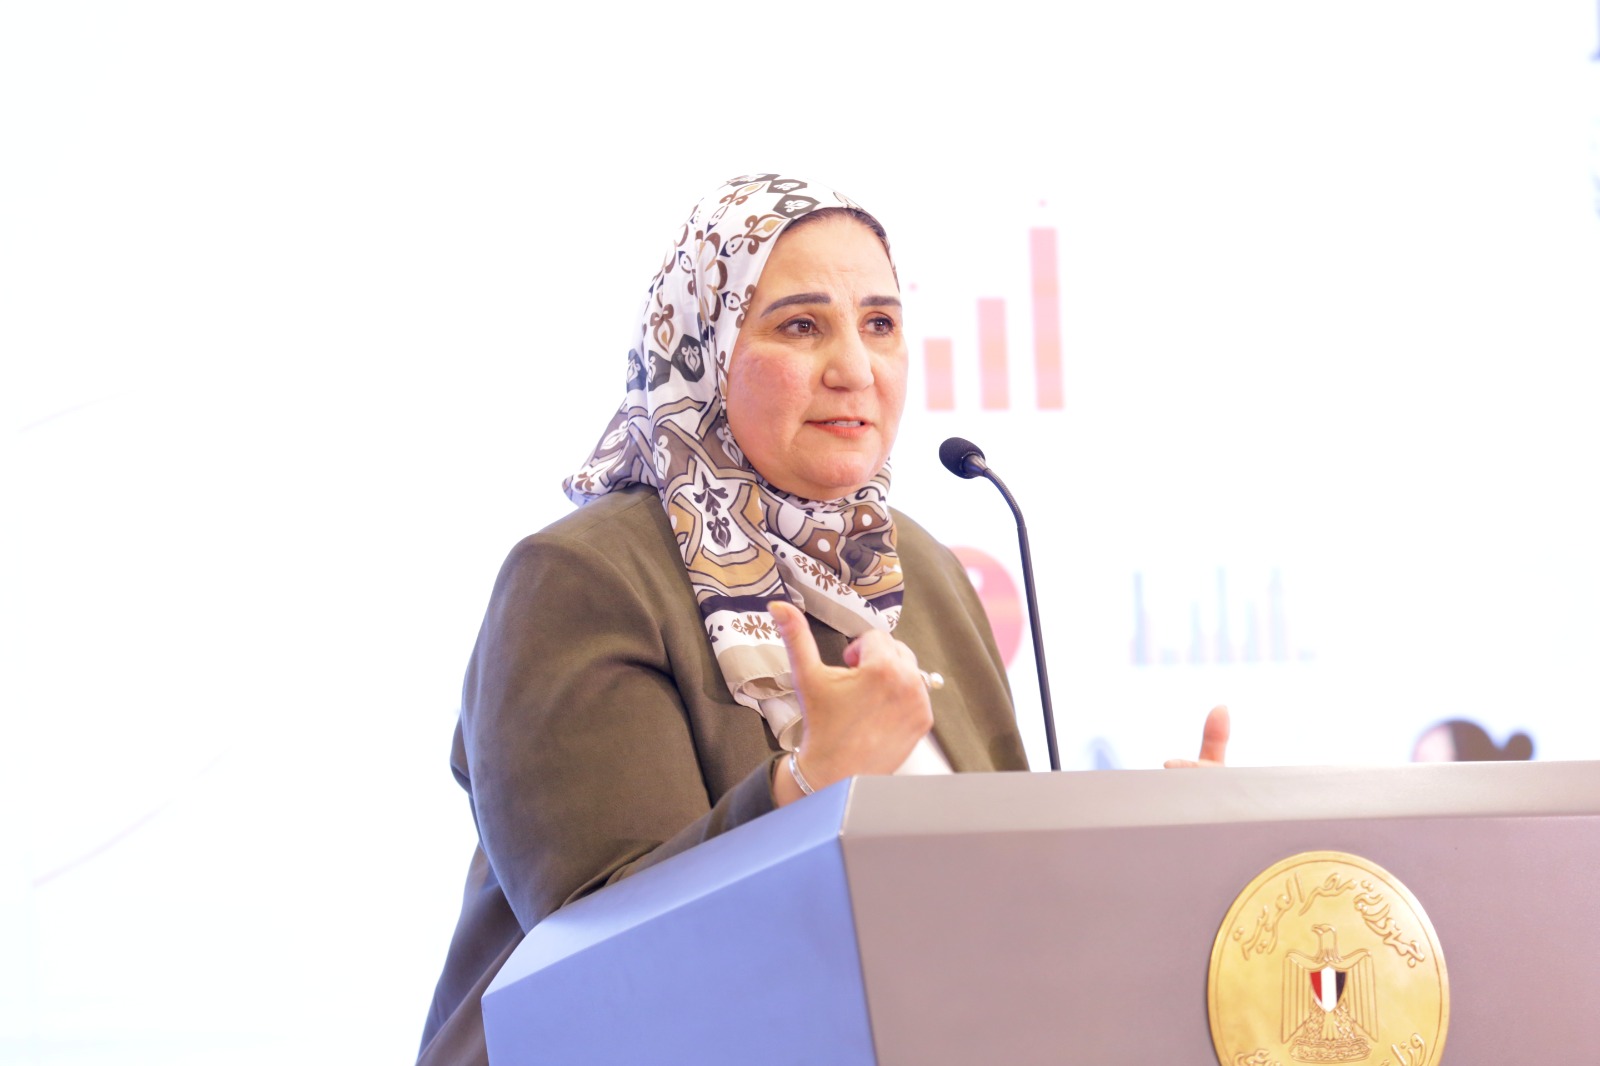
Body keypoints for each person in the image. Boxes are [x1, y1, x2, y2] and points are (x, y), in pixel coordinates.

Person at [415, 175, 1228, 1065]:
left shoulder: (918, 568)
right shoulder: (582, 578)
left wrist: (1163, 869)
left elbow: (997, 894)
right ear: (703, 349)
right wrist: (805, 787)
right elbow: (597, 959)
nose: (855, 368)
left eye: (880, 323)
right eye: (801, 326)